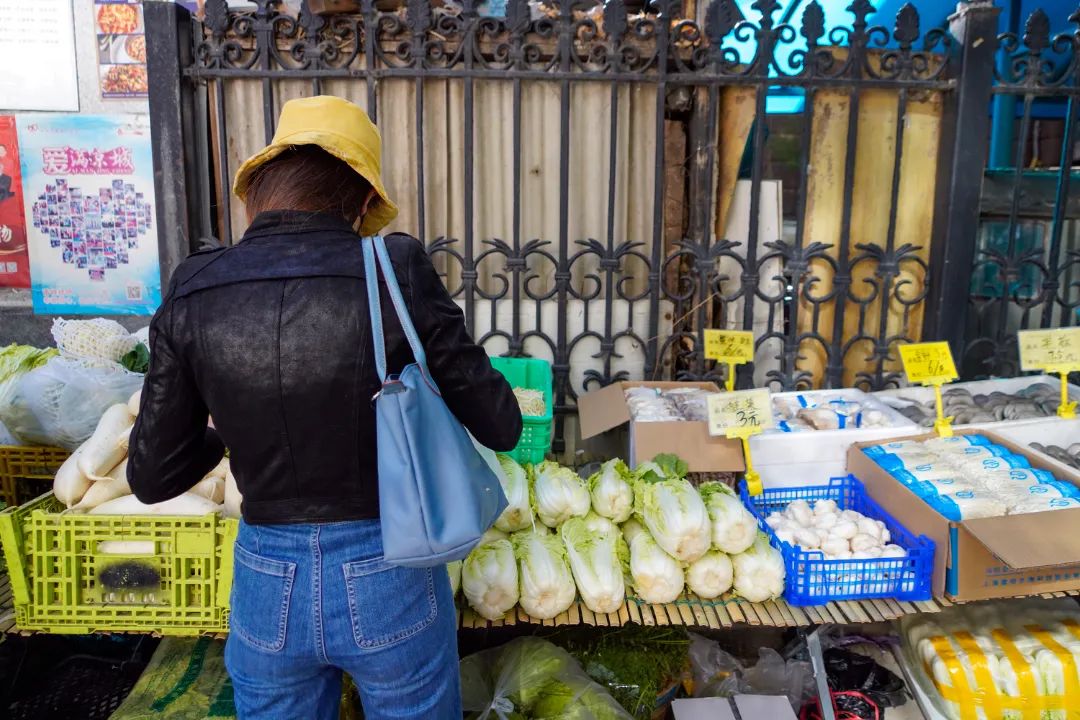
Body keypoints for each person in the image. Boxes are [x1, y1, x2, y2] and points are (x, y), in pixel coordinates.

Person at [127, 95, 523, 719]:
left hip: (264, 577)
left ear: (256, 188)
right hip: (390, 565)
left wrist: (224, 429)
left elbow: (151, 477)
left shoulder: (194, 285)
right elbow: (502, 425)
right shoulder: (394, 268)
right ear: (364, 202)